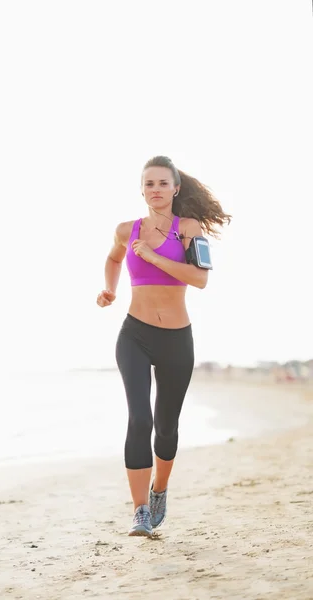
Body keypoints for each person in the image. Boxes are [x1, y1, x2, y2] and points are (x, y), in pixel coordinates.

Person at [96, 155, 231, 538]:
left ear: (175, 188)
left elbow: (200, 280)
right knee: (140, 419)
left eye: (162, 183)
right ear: (141, 190)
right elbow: (113, 257)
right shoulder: (127, 230)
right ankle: (139, 510)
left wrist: (153, 256)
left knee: (166, 427)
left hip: (176, 338)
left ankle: (159, 491)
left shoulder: (188, 228)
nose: (155, 190)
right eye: (148, 184)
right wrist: (110, 289)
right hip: (134, 334)